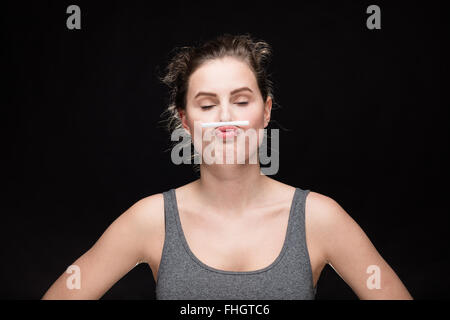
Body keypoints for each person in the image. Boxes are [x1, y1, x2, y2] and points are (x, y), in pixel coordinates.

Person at [42, 33, 412, 300]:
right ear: (184, 121)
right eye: (206, 105)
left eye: (241, 100)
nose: (225, 119)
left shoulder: (319, 217)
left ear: (265, 110)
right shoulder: (150, 219)